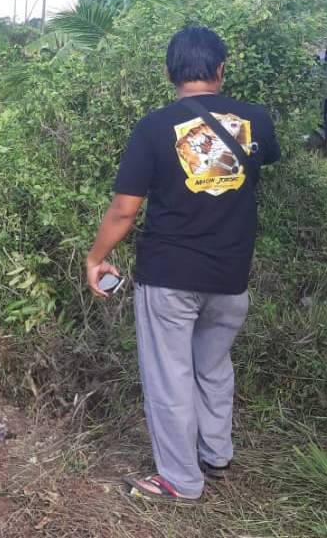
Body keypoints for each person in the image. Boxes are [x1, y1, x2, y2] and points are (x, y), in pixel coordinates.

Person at [85, 25, 280, 503]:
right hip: (231, 273)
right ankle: (216, 455)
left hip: (169, 275)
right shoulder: (256, 120)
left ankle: (180, 480)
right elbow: (261, 167)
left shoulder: (153, 127)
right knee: (212, 366)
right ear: (221, 70)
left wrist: (96, 257)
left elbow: (124, 210)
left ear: (168, 72)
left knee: (169, 376)